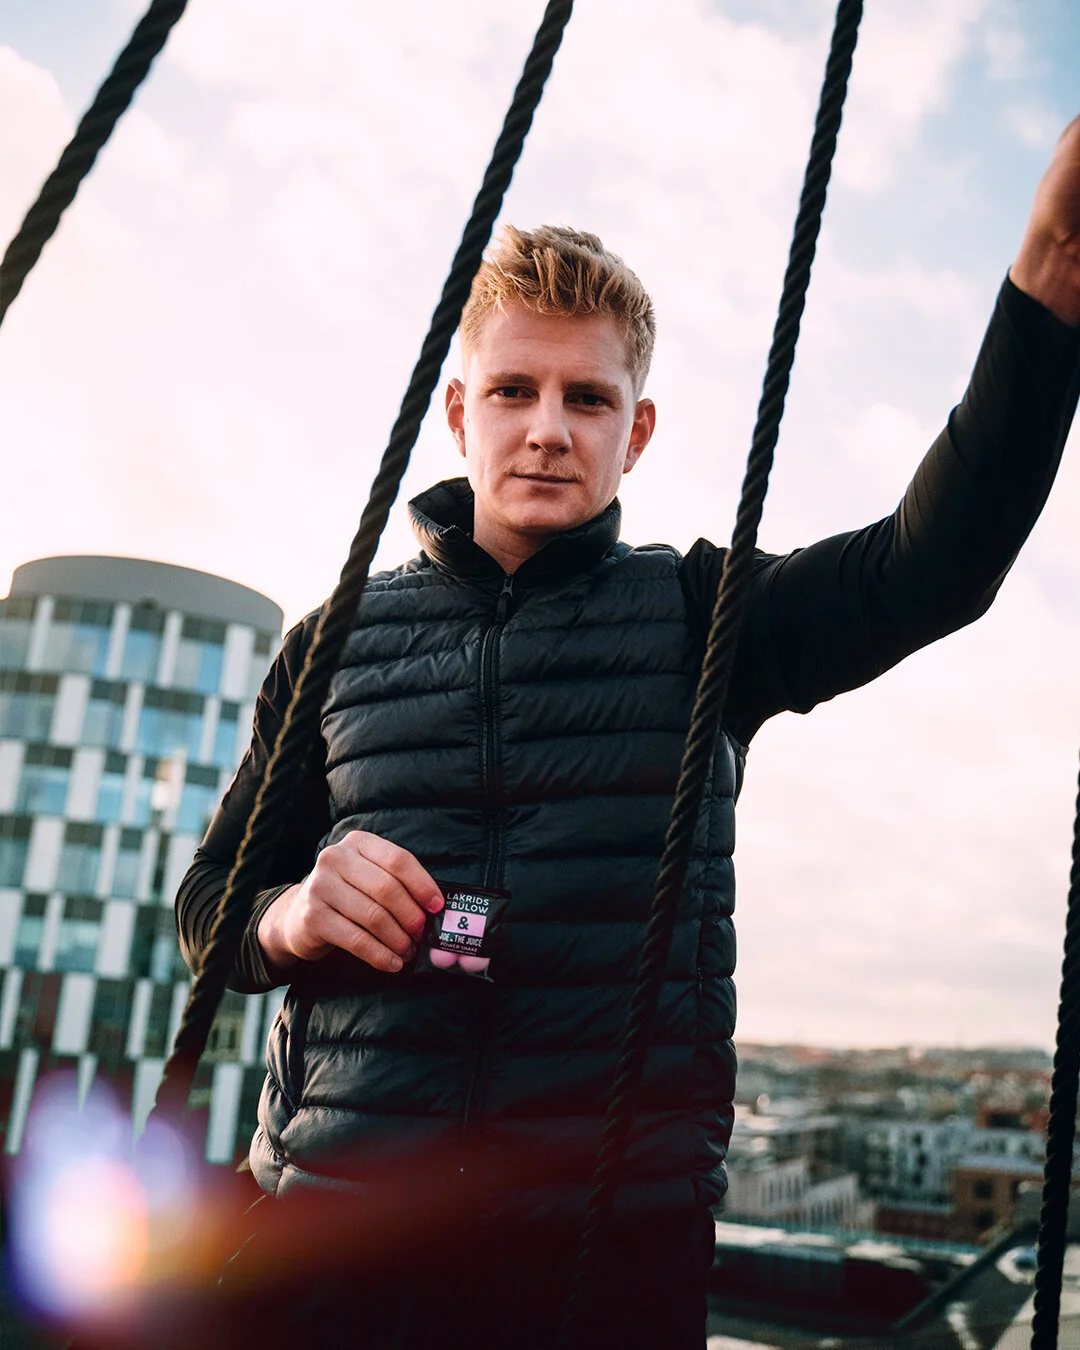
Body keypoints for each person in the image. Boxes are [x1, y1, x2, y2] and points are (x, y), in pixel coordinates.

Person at [177, 119, 1080, 1348]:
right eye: (514, 390)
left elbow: (936, 567)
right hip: (322, 1243)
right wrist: (291, 914)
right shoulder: (330, 639)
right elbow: (210, 907)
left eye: (587, 397)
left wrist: (1048, 294)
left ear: (634, 430)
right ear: (460, 411)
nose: (548, 427)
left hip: (595, 1264)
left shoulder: (711, 619)